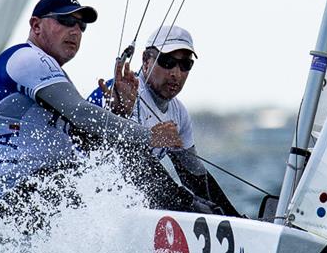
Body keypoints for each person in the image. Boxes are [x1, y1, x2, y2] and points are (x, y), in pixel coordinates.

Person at [0, 0, 208, 226]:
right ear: (36, 25)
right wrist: (151, 136)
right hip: (20, 193)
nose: (75, 31)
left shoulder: (48, 74)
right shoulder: (27, 59)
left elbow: (85, 142)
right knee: (128, 164)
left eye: (81, 26)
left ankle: (192, 216)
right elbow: (82, 114)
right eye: (65, 21)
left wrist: (120, 112)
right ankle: (191, 217)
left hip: (32, 194)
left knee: (116, 169)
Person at [89, 25, 241, 217]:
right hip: (84, 197)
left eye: (185, 65)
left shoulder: (179, 113)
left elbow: (195, 176)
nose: (176, 74)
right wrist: (190, 205)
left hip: (121, 203)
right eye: (167, 62)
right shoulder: (120, 92)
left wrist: (233, 217)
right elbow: (136, 167)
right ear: (145, 61)